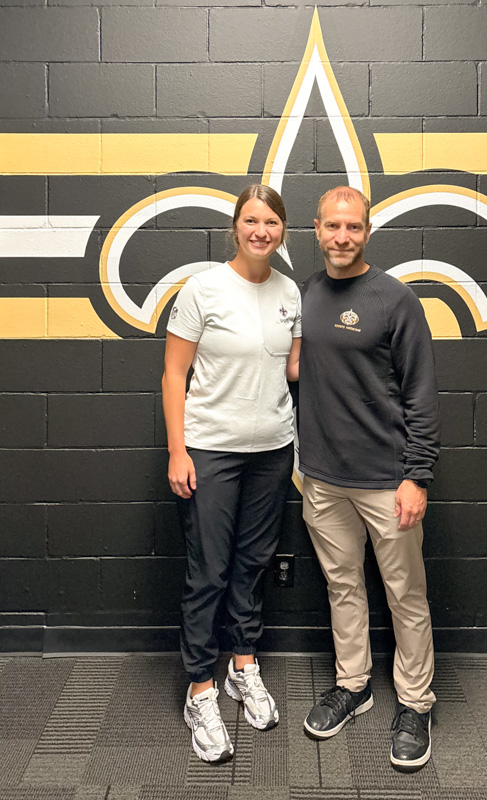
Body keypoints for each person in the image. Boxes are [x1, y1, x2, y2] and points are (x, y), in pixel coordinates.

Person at [298, 186, 440, 771]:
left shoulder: (395, 300)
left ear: (368, 231)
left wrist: (418, 475)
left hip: (388, 481)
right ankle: (353, 685)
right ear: (316, 229)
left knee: (405, 594)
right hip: (322, 480)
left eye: (352, 227)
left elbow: (421, 394)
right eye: (332, 226)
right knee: (343, 587)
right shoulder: (305, 293)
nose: (341, 237)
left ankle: (415, 702)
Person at [162, 184, 301, 763]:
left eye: (271, 221)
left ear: (283, 230)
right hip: (211, 450)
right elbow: (174, 374)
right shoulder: (203, 289)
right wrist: (178, 451)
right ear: (235, 227)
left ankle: (244, 664)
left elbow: (294, 367)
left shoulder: (291, 291)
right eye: (251, 219)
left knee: (251, 564)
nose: (260, 230)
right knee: (209, 572)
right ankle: (201, 687)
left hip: (272, 449)